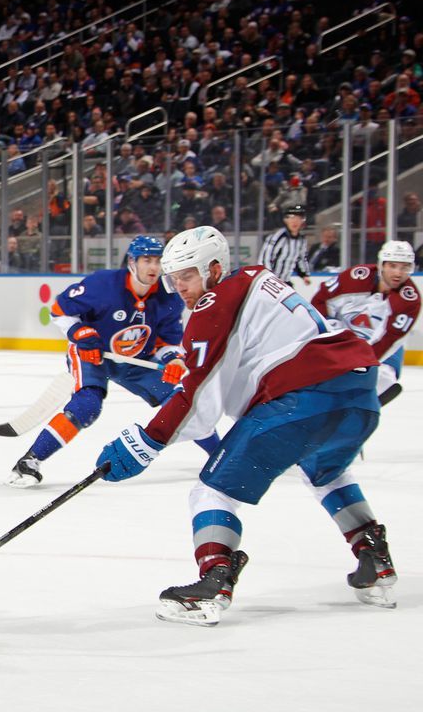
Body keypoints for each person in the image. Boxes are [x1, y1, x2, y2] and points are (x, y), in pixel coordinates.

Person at [95, 226, 395, 626]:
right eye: (174, 278)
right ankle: (373, 555)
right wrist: (191, 366)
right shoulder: (258, 278)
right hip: (358, 394)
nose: (179, 287)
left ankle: (214, 580)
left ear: (215, 268)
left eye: (187, 275)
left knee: (210, 490)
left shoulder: (214, 303)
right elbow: (252, 356)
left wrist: (144, 441)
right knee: (327, 471)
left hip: (303, 399)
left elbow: (201, 402)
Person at [9, 236, 220, 487]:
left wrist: (173, 360)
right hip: (93, 354)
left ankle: (220, 456)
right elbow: (59, 310)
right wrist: (80, 334)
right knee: (87, 405)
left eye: (158, 261)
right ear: (132, 262)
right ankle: (30, 461)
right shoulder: (103, 284)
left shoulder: (168, 296)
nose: (154, 267)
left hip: (136, 359)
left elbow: (168, 341)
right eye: (147, 260)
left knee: (179, 402)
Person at [310, 240, 419, 403]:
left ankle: (357, 405)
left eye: (404, 268)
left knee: (385, 380)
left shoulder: (409, 300)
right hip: (344, 336)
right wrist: (329, 328)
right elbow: (321, 300)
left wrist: (360, 364)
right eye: (393, 266)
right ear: (382, 264)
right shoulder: (356, 277)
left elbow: (388, 341)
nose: (398, 273)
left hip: (380, 349)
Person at [259, 204, 311, 285]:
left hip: (285, 282)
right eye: (291, 218)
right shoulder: (277, 237)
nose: (295, 221)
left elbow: (301, 259)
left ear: (302, 221)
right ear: (286, 220)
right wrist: (270, 278)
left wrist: (304, 275)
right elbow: (265, 258)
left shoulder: (301, 240)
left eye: (298, 218)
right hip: (270, 282)